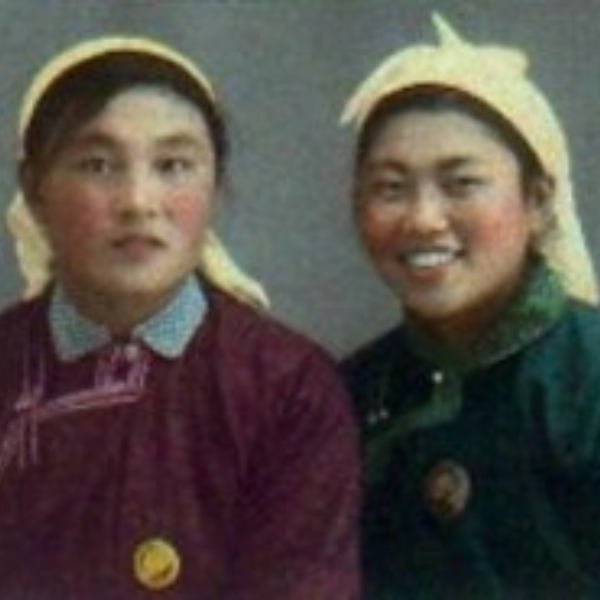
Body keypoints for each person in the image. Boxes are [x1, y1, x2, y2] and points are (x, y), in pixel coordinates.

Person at [0, 36, 359, 599]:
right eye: (98, 164)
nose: (139, 200)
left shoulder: (288, 388)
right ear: (35, 190)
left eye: (173, 165)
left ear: (215, 185)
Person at [340, 14, 600, 600]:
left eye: (461, 183)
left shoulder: (587, 380)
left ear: (537, 202)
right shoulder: (347, 393)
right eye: (390, 187)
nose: (424, 218)